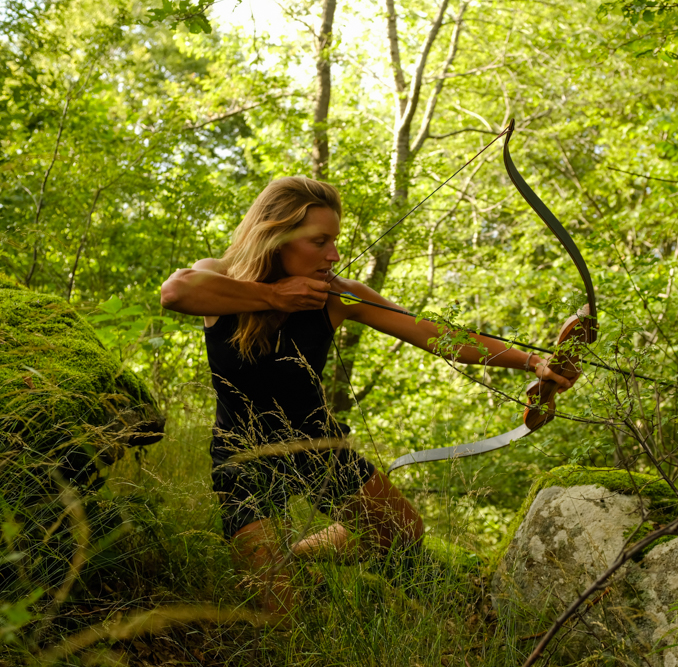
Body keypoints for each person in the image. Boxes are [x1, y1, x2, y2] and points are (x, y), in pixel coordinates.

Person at [160, 176, 576, 609]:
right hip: (242, 457)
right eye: (319, 241)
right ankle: (278, 568)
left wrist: (533, 361)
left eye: (334, 241)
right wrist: (273, 296)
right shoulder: (218, 276)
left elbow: (435, 334)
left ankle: (296, 557)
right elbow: (175, 292)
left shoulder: (339, 296)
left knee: (402, 531)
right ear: (276, 236)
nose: (333, 254)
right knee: (277, 610)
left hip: (315, 445)